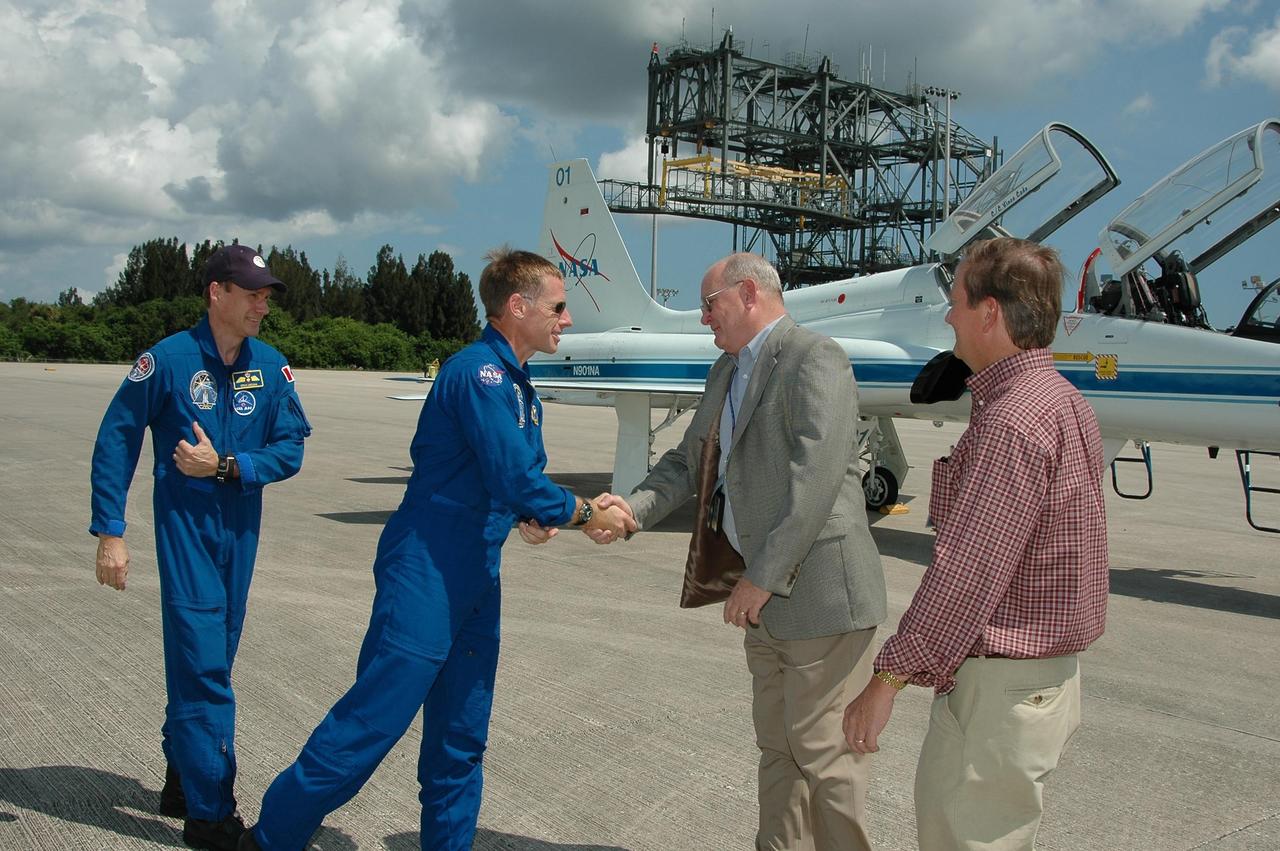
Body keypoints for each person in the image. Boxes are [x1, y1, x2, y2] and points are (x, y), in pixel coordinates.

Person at [240, 247, 635, 851]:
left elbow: (511, 482)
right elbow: (513, 475)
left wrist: (531, 516)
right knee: (371, 725)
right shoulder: (477, 374)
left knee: (461, 736)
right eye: (558, 307)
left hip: (477, 573)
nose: (568, 319)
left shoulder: (519, 387)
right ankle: (271, 838)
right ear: (517, 306)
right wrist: (582, 512)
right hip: (426, 568)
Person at [596, 252, 887, 851]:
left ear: (748, 294)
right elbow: (689, 459)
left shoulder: (814, 358)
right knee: (778, 750)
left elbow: (818, 479)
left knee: (826, 759)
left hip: (820, 597)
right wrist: (631, 511)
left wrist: (763, 576)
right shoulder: (727, 372)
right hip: (763, 598)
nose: (703, 319)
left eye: (709, 304)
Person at [842, 237, 1109, 850]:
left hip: (1001, 695)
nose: (948, 316)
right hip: (1044, 683)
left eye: (957, 301)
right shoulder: (1065, 402)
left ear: (990, 313)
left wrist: (888, 679)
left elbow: (969, 575)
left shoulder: (1012, 420)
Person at [90, 244, 311, 851]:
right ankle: (211, 815)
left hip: (239, 534)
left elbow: (290, 448)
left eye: (267, 294)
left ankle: (183, 775)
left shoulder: (270, 366)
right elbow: (117, 439)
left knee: (211, 660)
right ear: (218, 292)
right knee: (204, 666)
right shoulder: (165, 361)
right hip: (186, 535)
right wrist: (112, 531)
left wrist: (230, 465)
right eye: (253, 293)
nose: (263, 304)